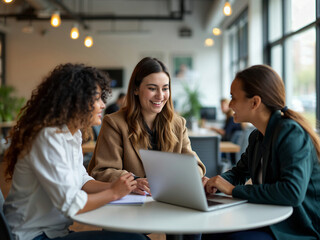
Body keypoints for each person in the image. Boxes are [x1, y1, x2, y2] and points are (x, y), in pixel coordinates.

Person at [3, 63, 147, 240]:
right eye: (97, 99)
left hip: (55, 232)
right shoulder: (47, 138)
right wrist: (114, 193)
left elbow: (82, 180)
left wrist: (123, 187)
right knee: (135, 239)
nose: (103, 105)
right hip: (32, 235)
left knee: (131, 237)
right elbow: (71, 204)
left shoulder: (72, 134)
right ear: (75, 101)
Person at [87, 57, 206, 240]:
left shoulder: (177, 123)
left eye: (165, 88)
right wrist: (135, 181)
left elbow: (195, 165)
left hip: (169, 202)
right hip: (132, 205)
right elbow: (102, 171)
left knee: (193, 226)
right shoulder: (114, 123)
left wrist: (187, 176)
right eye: (152, 88)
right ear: (136, 89)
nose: (160, 95)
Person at [204, 65, 320, 240]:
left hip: (299, 228)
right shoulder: (257, 136)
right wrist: (214, 183)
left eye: (233, 98)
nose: (229, 105)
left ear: (255, 102)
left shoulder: (291, 133)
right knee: (210, 231)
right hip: (272, 218)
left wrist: (233, 190)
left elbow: (292, 192)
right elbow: (239, 172)